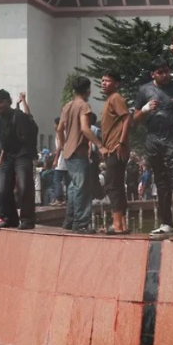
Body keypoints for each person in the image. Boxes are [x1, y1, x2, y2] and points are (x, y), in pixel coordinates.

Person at [133, 56, 173, 236]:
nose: (165, 75)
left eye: (167, 71)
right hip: (153, 140)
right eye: (160, 72)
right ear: (153, 74)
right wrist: (145, 109)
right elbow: (134, 119)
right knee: (161, 182)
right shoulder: (144, 90)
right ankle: (166, 222)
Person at [0, 90, 38, 229]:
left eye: (2, 102)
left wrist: (31, 155)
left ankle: (27, 219)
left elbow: (28, 136)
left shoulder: (18, 116)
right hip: (7, 156)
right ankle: (10, 218)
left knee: (24, 186)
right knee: (3, 188)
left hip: (22, 154)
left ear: (9, 102)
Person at [57, 77, 99, 233]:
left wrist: (62, 145)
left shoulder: (67, 106)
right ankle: (81, 223)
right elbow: (85, 129)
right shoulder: (84, 106)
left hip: (68, 153)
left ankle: (69, 220)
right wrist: (100, 145)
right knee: (83, 189)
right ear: (88, 90)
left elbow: (59, 128)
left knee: (74, 188)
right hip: (78, 152)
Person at [99, 71, 131, 234]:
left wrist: (121, 142)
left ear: (116, 84)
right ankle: (122, 224)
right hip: (112, 148)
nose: (103, 83)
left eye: (107, 81)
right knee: (117, 185)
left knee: (112, 186)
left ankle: (117, 224)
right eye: (102, 80)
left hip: (116, 149)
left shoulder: (116, 98)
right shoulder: (110, 100)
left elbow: (127, 118)